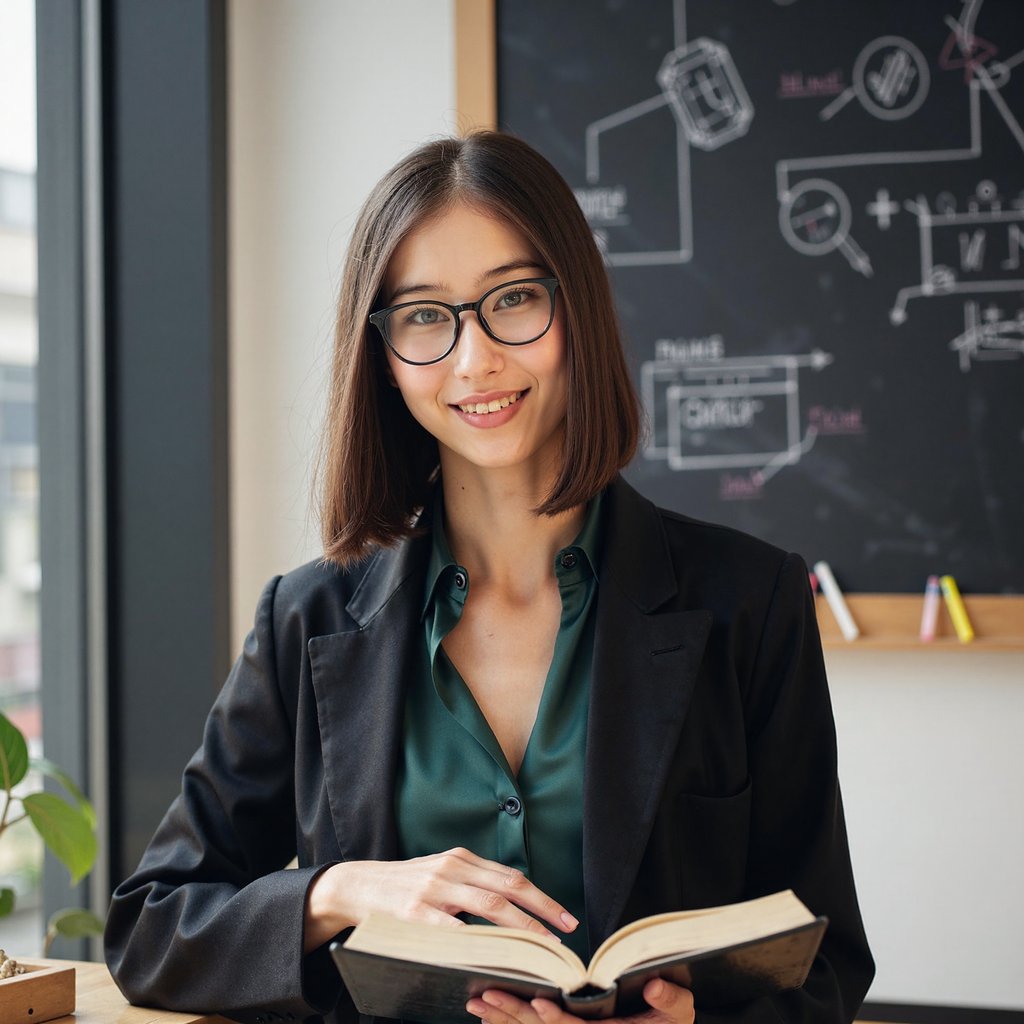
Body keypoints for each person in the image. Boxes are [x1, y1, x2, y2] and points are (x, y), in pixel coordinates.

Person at [104, 131, 874, 1024]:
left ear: (574, 307)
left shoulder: (753, 600)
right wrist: (342, 893)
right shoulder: (305, 616)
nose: (475, 361)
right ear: (383, 356)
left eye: (513, 300)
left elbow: (828, 964)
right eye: (426, 316)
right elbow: (150, 929)